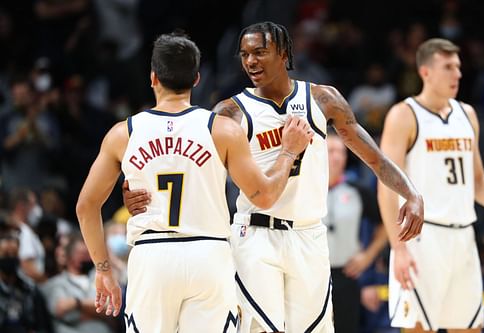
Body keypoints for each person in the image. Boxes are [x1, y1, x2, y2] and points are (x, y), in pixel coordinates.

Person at [124, 21, 424, 333]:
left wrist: (411, 194)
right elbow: (188, 170)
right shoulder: (231, 112)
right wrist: (140, 193)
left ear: (283, 53)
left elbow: (374, 157)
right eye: (244, 54)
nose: (250, 61)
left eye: (259, 52)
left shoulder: (323, 100)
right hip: (255, 236)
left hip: (309, 235)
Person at [75, 32, 313, 333]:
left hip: (152, 256)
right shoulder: (222, 130)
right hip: (208, 255)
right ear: (197, 79)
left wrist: (103, 269)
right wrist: (289, 151)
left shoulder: (124, 133)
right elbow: (264, 197)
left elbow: (86, 206)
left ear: (153, 78)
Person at [378, 38, 484, 333]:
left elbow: (479, 184)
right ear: (425, 71)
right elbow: (386, 188)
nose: (457, 74)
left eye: (458, 67)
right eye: (448, 67)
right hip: (422, 238)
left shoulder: (467, 115)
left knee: (471, 328)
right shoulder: (403, 115)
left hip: (462, 238)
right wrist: (399, 249)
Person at [325, 132, 387, 333]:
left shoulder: (357, 190)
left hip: (346, 275)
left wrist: (368, 256)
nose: (337, 157)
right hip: (312, 274)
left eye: (341, 152)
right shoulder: (303, 189)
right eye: (331, 151)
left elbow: (385, 224)